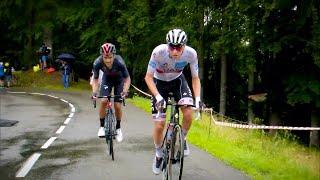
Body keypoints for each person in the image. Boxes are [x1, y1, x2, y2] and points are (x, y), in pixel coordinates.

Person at [144, 28, 203, 174]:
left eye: (179, 47)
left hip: (178, 81)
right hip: (159, 83)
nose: (175, 51)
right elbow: (148, 77)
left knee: (188, 113)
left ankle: (182, 139)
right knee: (159, 125)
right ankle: (158, 154)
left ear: (184, 46)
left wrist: (198, 99)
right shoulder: (158, 52)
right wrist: (158, 97)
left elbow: (195, 78)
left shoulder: (191, 54)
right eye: (172, 47)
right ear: (167, 45)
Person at [91, 42, 131, 142]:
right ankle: (101, 127)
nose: (108, 60)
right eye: (105, 57)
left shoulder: (119, 62)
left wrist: (125, 91)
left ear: (114, 55)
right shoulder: (97, 63)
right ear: (102, 56)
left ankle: (118, 128)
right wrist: (94, 93)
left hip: (119, 80)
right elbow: (95, 80)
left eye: (110, 57)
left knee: (117, 105)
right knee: (104, 101)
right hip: (106, 79)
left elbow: (127, 79)